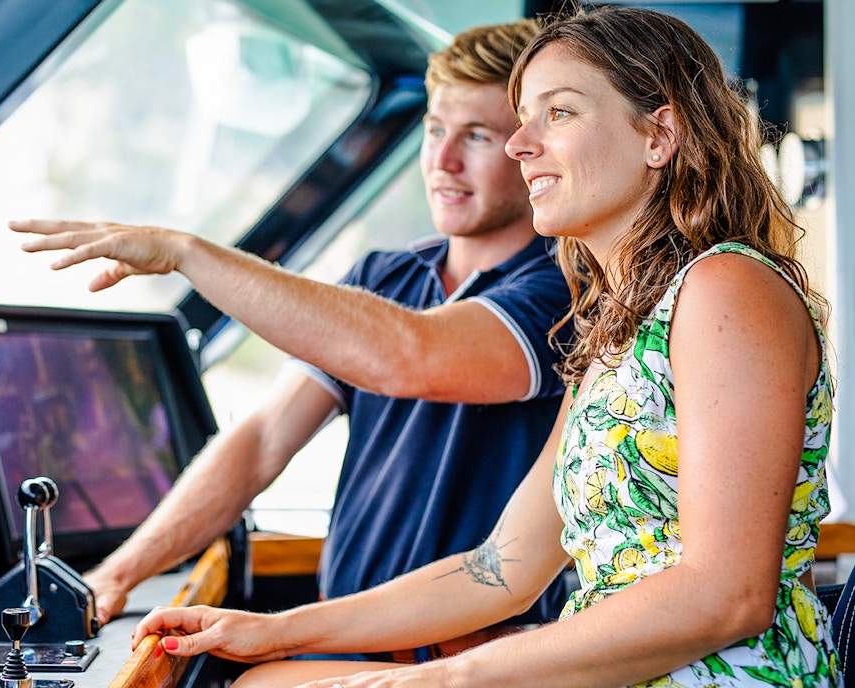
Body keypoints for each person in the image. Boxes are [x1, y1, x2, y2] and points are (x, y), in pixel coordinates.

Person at [121, 5, 842, 686]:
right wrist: (274, 630)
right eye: (522, 121)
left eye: (557, 113)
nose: (520, 145)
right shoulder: (620, 326)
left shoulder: (726, 289)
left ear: (659, 136)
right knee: (270, 675)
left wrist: (449, 677)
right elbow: (499, 567)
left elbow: (727, 596)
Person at [11, 18, 573, 659]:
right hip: (342, 643)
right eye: (434, 130)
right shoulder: (382, 278)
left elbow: (408, 355)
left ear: (529, 148)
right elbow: (260, 442)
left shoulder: (564, 291)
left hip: (461, 657)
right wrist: (117, 573)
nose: (443, 161)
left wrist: (185, 254)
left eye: (477, 136)